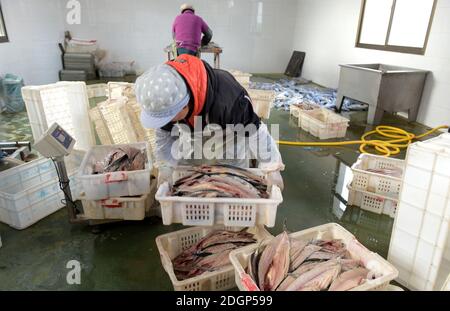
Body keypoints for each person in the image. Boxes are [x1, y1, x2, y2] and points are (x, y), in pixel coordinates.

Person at [134, 54, 284, 189]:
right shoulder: (166, 96)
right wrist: (166, 167)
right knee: (195, 178)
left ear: (185, 104)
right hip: (194, 133)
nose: (167, 122)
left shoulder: (229, 100)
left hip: (230, 134)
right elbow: (165, 135)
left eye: (169, 117)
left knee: (232, 181)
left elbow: (256, 133)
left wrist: (271, 167)